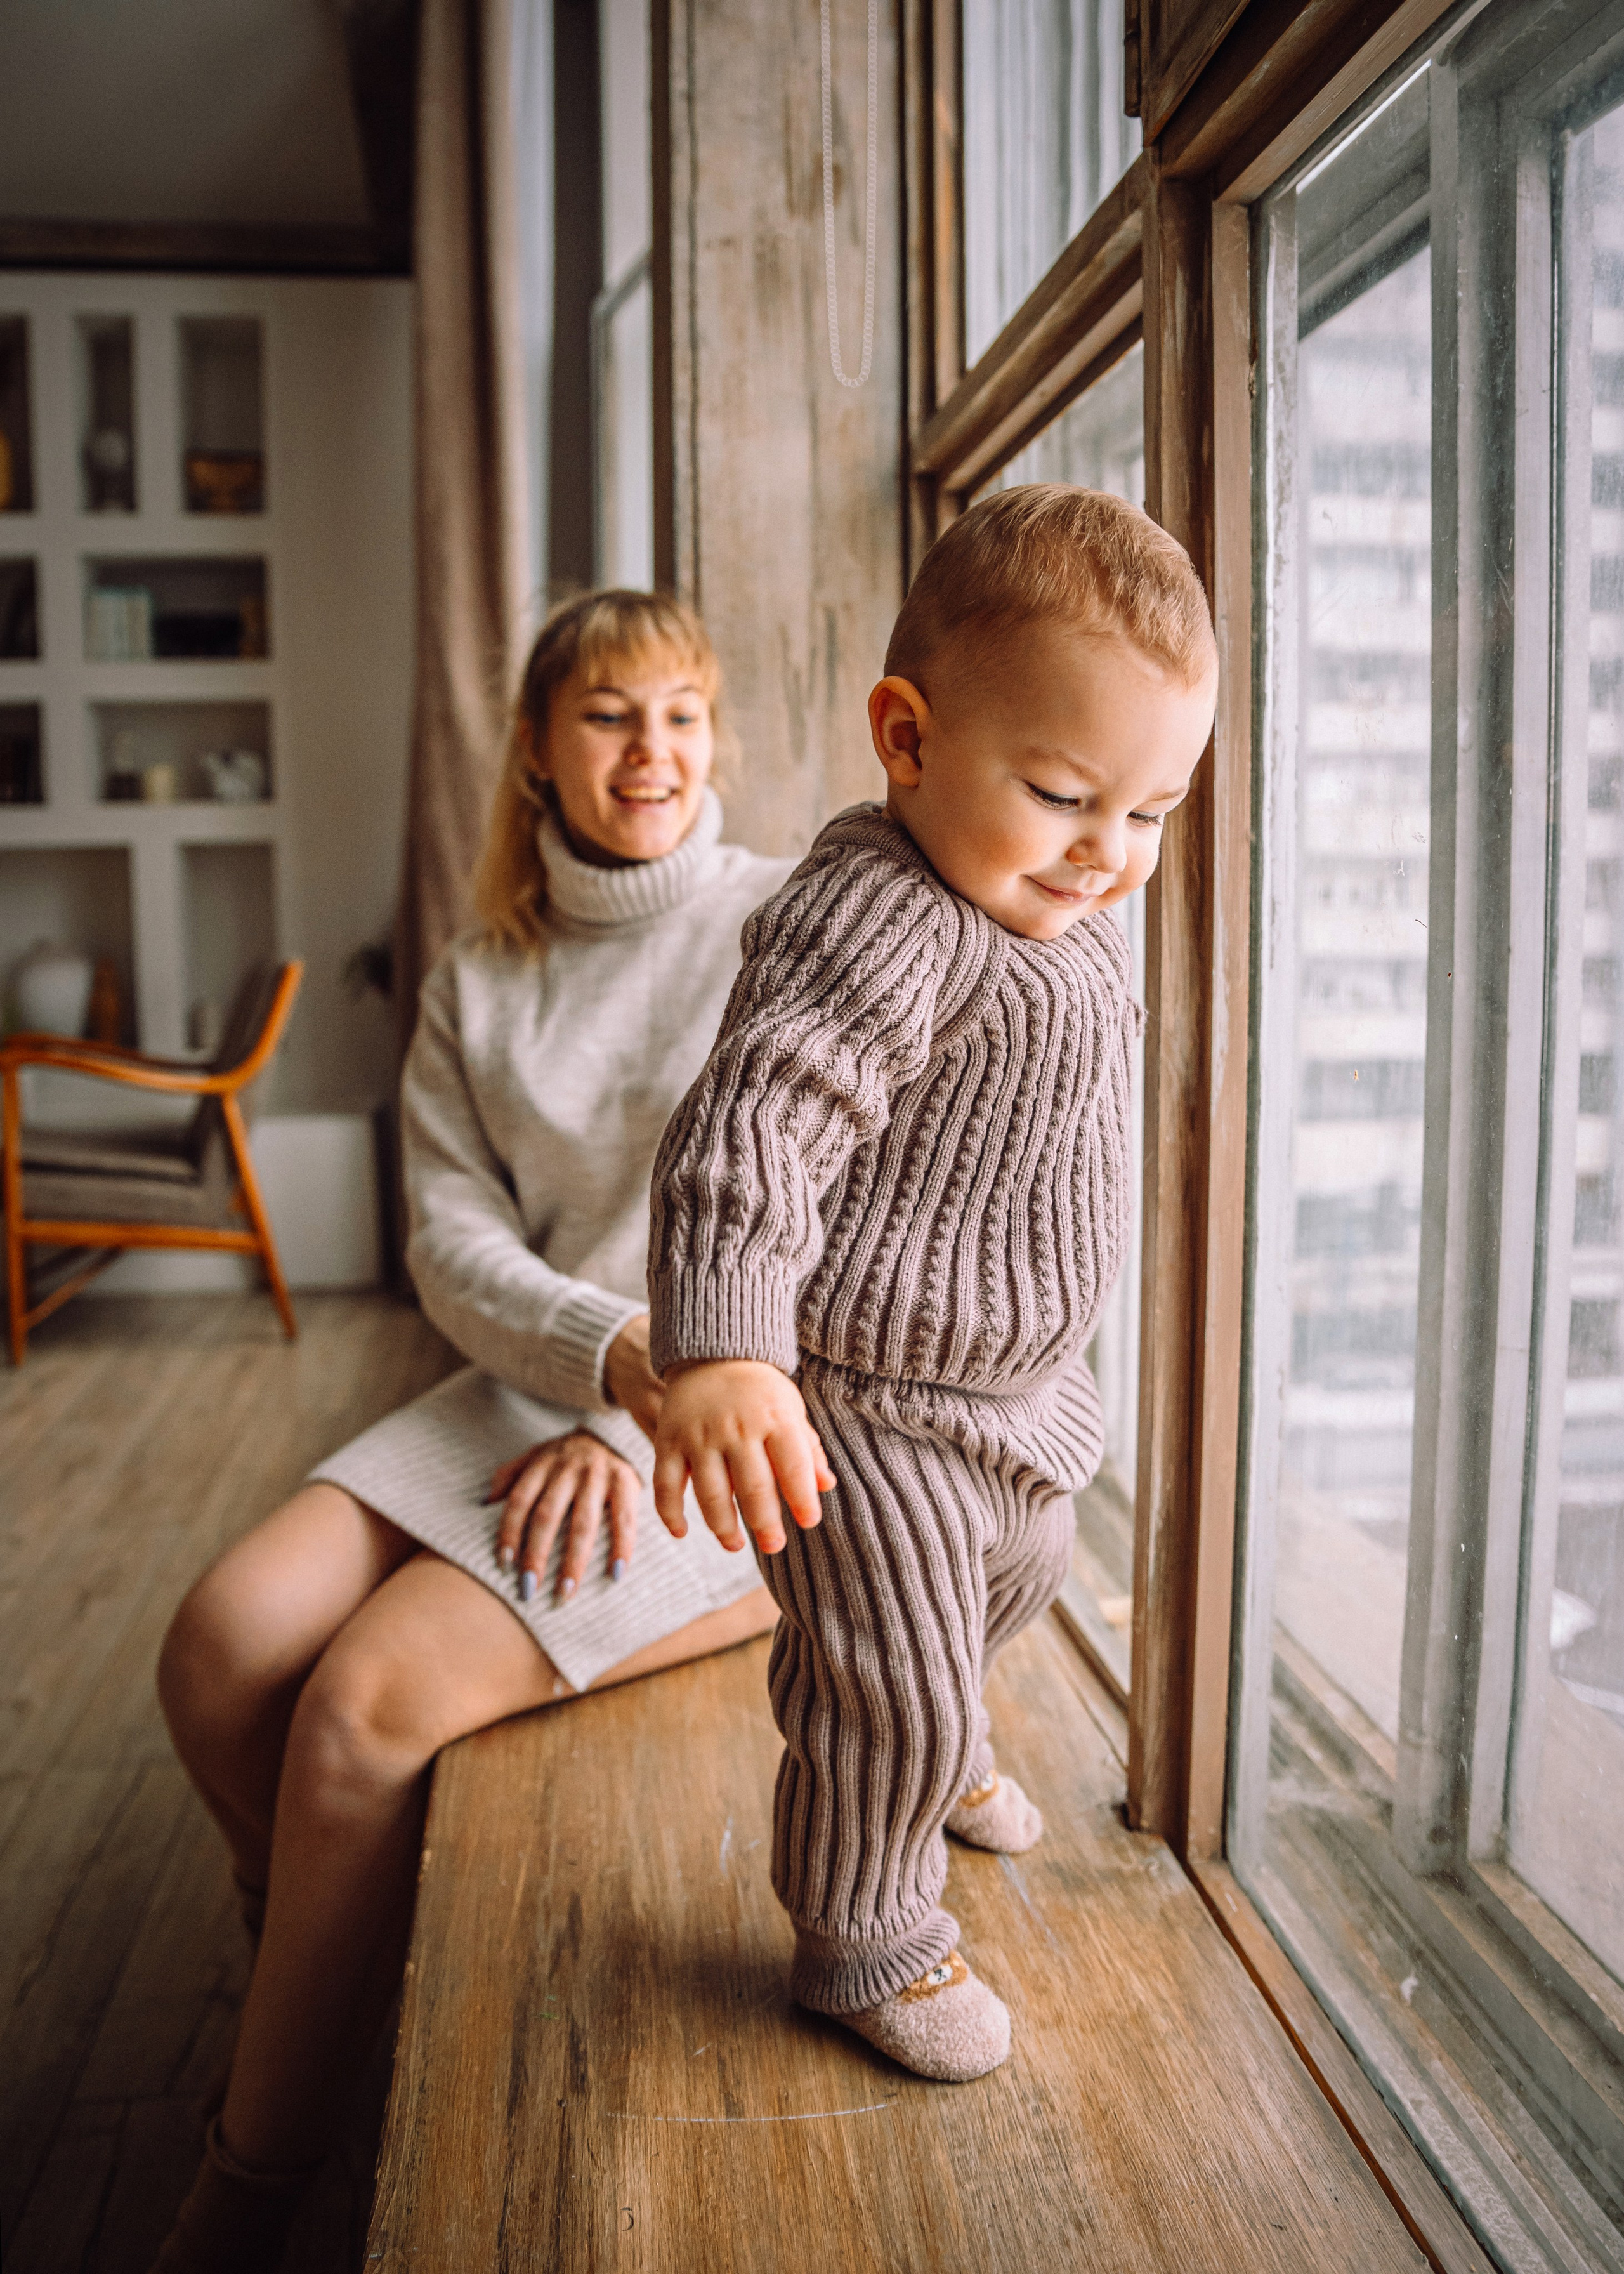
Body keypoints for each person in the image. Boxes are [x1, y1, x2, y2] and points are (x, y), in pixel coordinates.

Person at [150, 590, 794, 2272]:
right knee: (219, 1650)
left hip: (728, 1411)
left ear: (715, 734)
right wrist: (600, 1366)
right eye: (605, 716)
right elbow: (450, 1247)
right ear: (532, 749)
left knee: (356, 1717)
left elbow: (801, 1204)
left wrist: (653, 1397)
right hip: (551, 1374)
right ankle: (317, 1944)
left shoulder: (784, 920)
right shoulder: (483, 973)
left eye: (681, 713)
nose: (650, 752)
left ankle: (258, 2171)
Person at [646, 486, 1218, 2083]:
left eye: (1153, 812)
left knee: (1015, 1576)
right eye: (1061, 794)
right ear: (905, 737)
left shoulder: (1059, 907)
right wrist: (725, 1349)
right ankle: (862, 1933)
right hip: (869, 1400)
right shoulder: (884, 916)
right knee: (887, 1679)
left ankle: (924, 1727)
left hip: (1012, 1393)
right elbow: (752, 1123)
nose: (1108, 855)